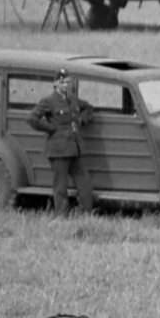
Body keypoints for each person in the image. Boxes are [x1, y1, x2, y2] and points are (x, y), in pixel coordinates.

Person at [27, 70, 97, 215]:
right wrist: (51, 128)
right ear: (55, 84)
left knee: (84, 181)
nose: (66, 85)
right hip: (58, 150)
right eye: (63, 82)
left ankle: (87, 213)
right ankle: (61, 215)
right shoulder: (48, 101)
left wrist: (82, 120)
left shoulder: (72, 100)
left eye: (68, 82)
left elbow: (89, 108)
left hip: (74, 148)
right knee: (60, 185)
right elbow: (32, 119)